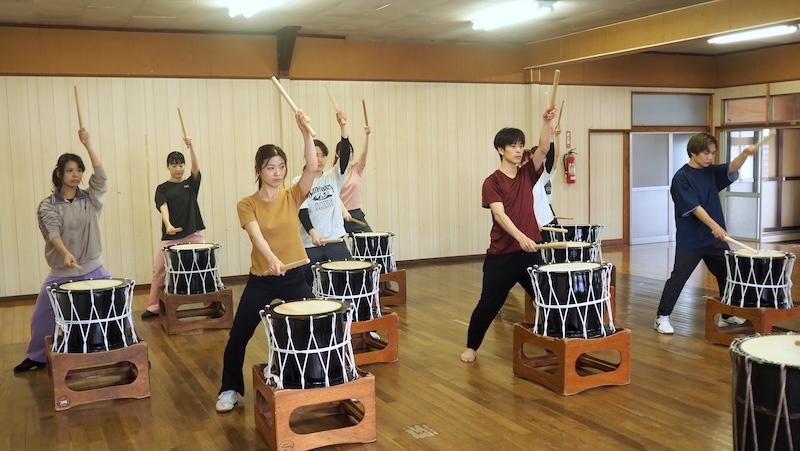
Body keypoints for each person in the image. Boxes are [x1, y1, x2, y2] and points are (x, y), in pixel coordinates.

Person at [215, 110, 317, 413]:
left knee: (314, 326)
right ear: (259, 170)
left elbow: (312, 167)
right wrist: (272, 259)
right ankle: (229, 388)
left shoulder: (292, 196)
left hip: (294, 276)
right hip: (262, 279)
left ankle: (315, 380)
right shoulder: (247, 204)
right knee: (239, 335)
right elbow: (256, 236)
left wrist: (305, 132)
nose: (277, 172)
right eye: (270, 167)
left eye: (281, 166)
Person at [461, 104, 557, 363]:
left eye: (520, 145)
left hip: (529, 253)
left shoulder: (527, 174)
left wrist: (546, 121)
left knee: (549, 298)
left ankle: (556, 344)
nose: (518, 150)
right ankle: (471, 347)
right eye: (513, 146)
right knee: (488, 304)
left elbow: (544, 149)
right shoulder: (492, 181)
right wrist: (521, 237)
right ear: (500, 150)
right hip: (502, 255)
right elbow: (499, 215)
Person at [14, 128, 110, 373]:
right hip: (61, 272)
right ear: (59, 173)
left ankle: (128, 347)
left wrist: (87, 144)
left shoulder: (90, 199)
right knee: (42, 316)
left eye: (79, 170)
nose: (75, 175)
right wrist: (65, 253)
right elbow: (52, 232)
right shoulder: (47, 205)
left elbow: (101, 175)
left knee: (116, 306)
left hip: (92, 269)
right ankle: (37, 357)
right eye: (69, 170)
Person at [653, 132, 758, 334]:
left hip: (714, 239)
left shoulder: (711, 172)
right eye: (706, 153)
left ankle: (727, 314)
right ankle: (662, 317)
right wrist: (715, 226)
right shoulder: (682, 178)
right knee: (679, 277)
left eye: (713, 153)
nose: (710, 157)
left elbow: (732, 167)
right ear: (692, 152)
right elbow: (695, 208)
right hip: (691, 239)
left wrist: (745, 154)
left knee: (729, 274)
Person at [141, 136, 206, 319]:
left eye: (181, 165)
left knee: (205, 267)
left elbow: (196, 167)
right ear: (168, 167)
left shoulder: (190, 184)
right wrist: (168, 225)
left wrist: (191, 147)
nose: (178, 169)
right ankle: (154, 306)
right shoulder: (162, 188)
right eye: (174, 165)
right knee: (159, 270)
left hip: (193, 233)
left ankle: (210, 302)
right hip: (171, 236)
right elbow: (163, 206)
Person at [292, 111, 352, 287]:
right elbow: (302, 211)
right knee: (308, 286)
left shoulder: (333, 177)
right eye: (315, 154)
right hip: (311, 244)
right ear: (307, 155)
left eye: (323, 155)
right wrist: (313, 233)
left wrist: (343, 126)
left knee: (346, 282)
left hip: (335, 240)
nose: (319, 159)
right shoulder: (298, 181)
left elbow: (345, 155)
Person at [332, 112, 374, 233]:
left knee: (370, 240)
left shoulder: (357, 169)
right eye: (346, 152)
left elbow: (364, 152)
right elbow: (334, 195)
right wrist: (343, 211)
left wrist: (367, 135)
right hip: (338, 214)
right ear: (337, 154)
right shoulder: (333, 174)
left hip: (356, 214)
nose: (348, 155)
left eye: (350, 152)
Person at [526, 125, 561, 228]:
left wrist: (554, 137)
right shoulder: (523, 178)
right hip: (533, 215)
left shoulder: (544, 175)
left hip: (545, 211)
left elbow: (554, 156)